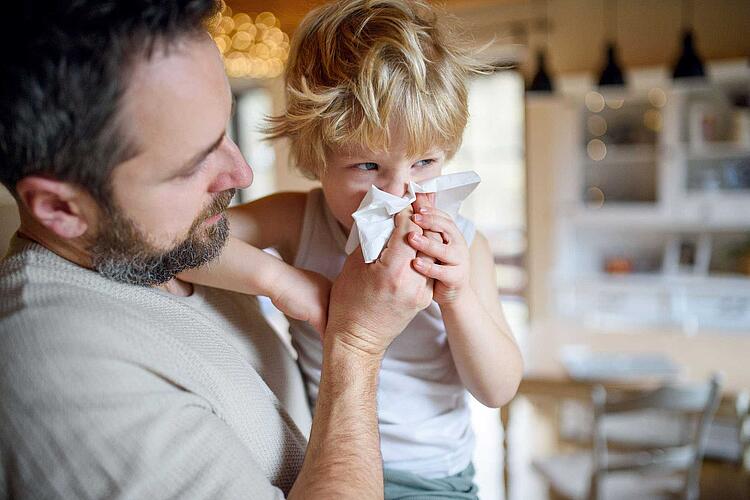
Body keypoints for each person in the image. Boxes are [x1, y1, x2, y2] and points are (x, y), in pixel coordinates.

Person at [0, 1, 436, 498]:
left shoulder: (171, 247)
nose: (242, 174)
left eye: (225, 131)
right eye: (191, 165)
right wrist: (356, 346)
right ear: (60, 208)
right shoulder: (61, 373)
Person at [181, 0, 524, 497]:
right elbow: (185, 245)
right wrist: (288, 282)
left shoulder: (468, 246)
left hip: (434, 479)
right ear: (316, 159)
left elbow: (497, 389)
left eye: (425, 162)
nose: (400, 191)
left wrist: (459, 297)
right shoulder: (299, 220)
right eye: (368, 168)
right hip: (325, 461)